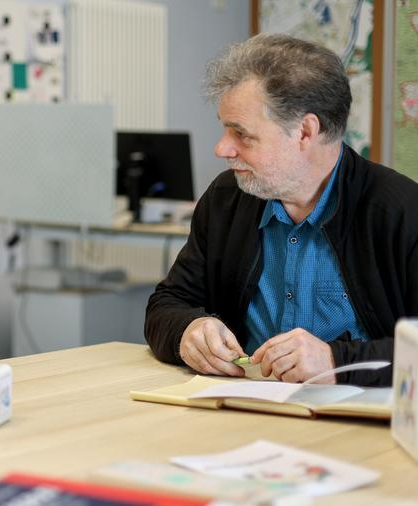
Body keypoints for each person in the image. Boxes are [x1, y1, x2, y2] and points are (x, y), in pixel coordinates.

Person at [145, 34, 418, 386]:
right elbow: (168, 302)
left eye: (241, 134)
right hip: (242, 410)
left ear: (305, 132)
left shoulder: (400, 210)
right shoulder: (227, 198)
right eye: (225, 129)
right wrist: (188, 331)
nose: (221, 148)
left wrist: (336, 361)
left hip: (359, 424)